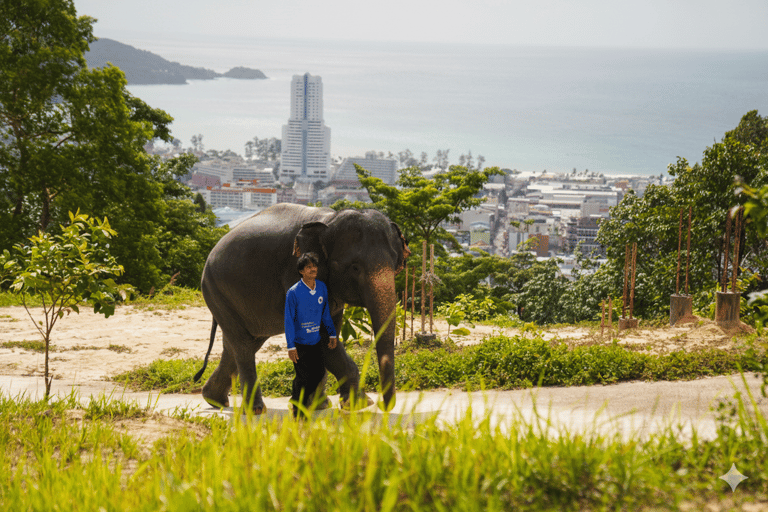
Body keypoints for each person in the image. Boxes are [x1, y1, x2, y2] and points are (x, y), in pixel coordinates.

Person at [284, 252, 338, 417]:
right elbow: (288, 321)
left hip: (315, 340)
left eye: (314, 266)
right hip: (300, 343)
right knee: (303, 377)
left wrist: (332, 334)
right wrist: (291, 346)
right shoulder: (293, 292)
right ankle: (298, 412)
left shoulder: (321, 287)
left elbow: (325, 313)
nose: (314, 269)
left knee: (319, 374)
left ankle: (296, 400)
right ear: (301, 271)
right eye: (309, 267)